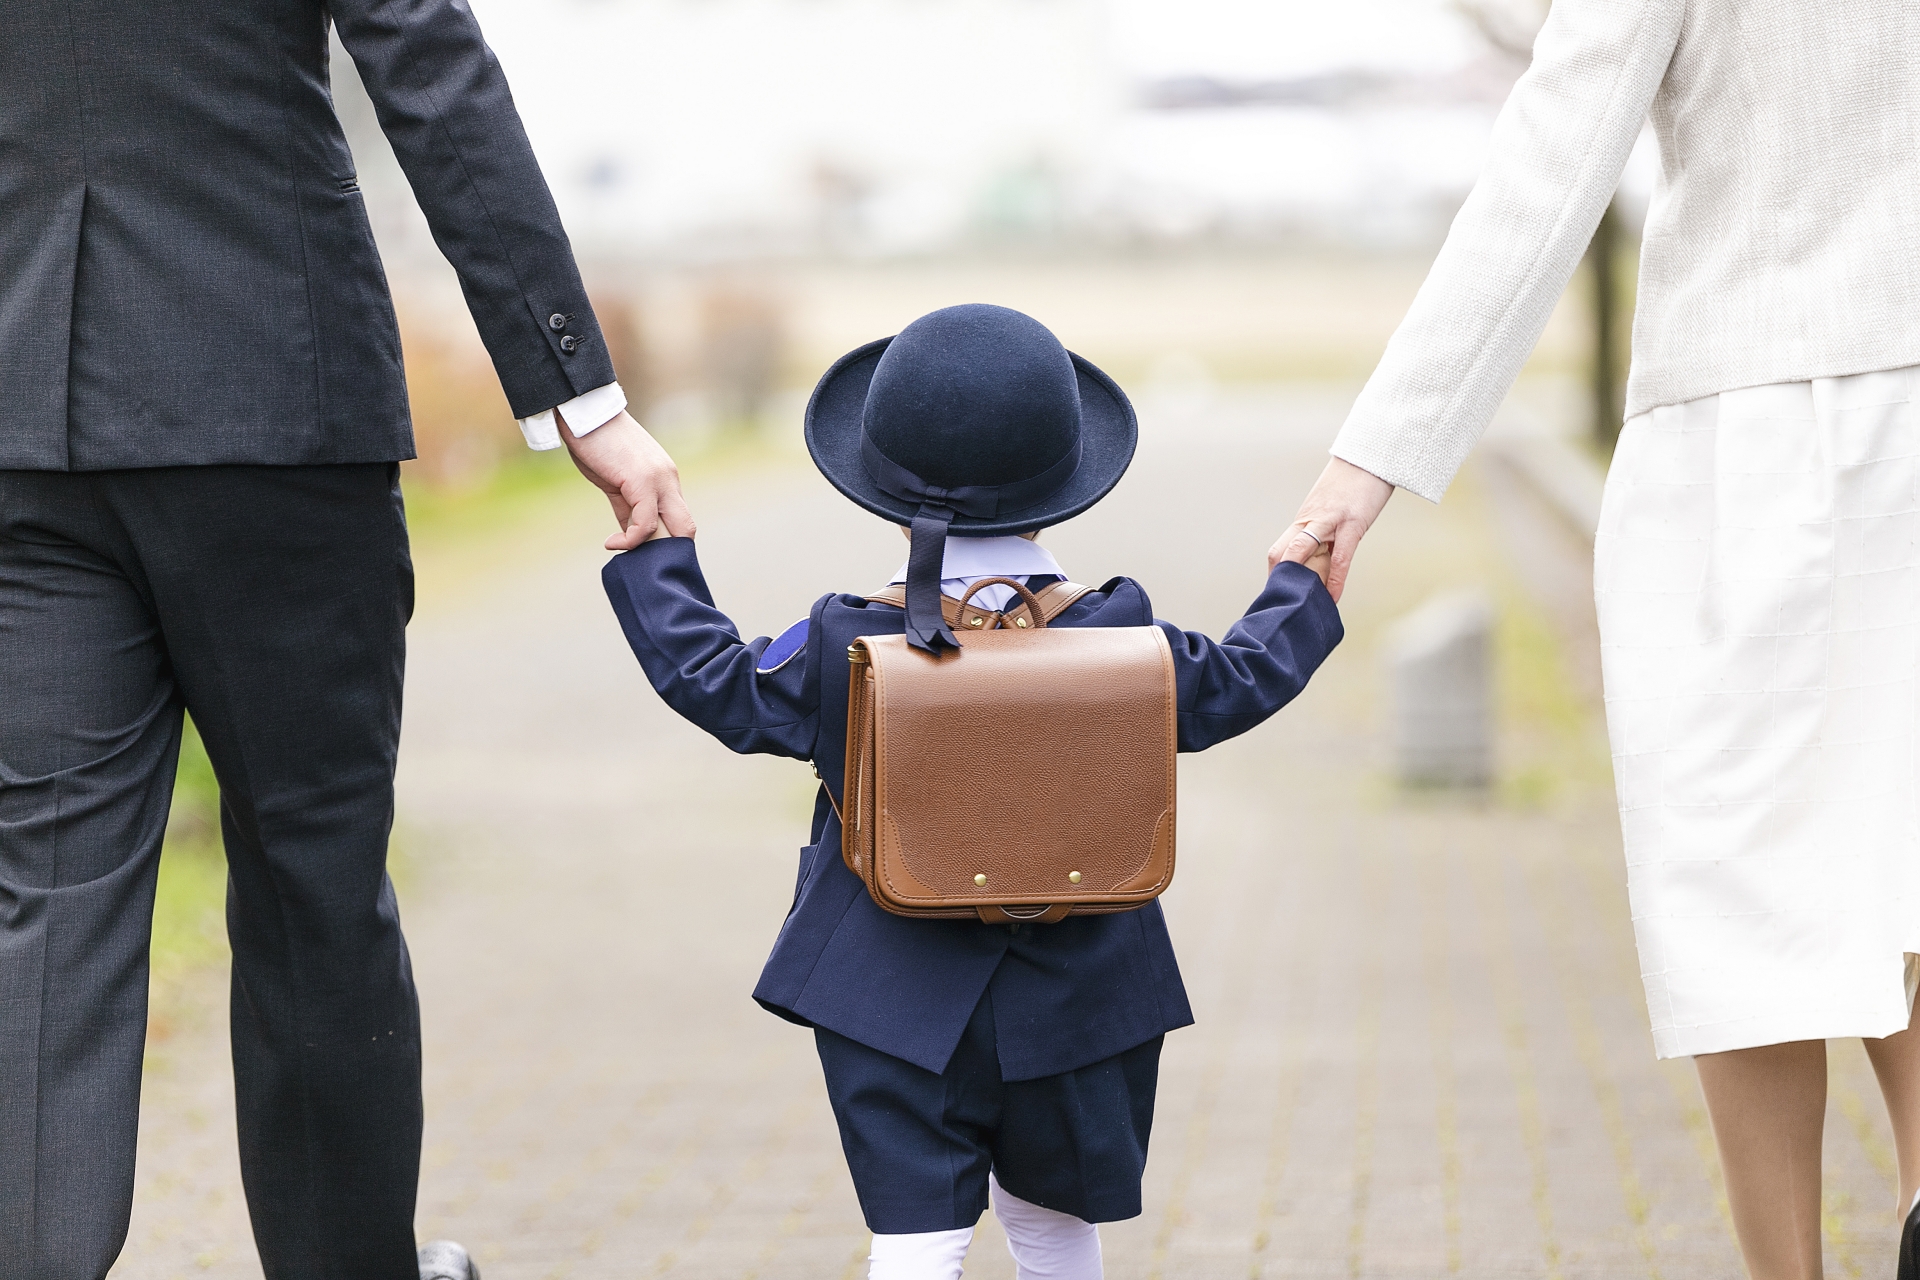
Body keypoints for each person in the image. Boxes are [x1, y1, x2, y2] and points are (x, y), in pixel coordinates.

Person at [0, 2, 692, 1278]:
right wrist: (577, 396)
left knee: (45, 892)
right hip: (270, 395)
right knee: (312, 879)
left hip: (29, 411)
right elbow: (428, 64)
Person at [1272, 3, 1920, 1277]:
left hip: (1752, 430)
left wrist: (1370, 464)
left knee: (1740, 901)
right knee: (1901, 854)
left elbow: (1553, 156)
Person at [601, 303, 1342, 1279]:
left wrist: (659, 560)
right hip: (1085, 991)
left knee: (917, 1239)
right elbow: (1238, 679)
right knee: (1054, 1228)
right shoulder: (1123, 634)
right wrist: (1303, 584)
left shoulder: (845, 642)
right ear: (1063, 477)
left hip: (887, 986)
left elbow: (723, 686)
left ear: (882, 477)